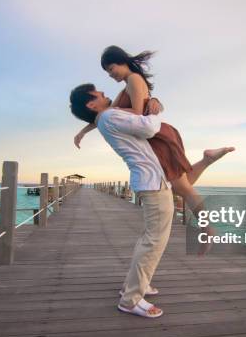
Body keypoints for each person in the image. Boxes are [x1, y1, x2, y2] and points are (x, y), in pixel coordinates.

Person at [73, 46, 234, 228]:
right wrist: (83, 131)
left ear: (122, 62)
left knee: (182, 188)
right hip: (155, 137)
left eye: (111, 69)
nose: (110, 75)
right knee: (180, 185)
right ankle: (207, 160)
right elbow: (103, 114)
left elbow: (137, 113)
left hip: (159, 137)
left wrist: (125, 108)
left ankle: (208, 229)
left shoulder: (133, 79)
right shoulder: (127, 85)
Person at [70, 83, 173, 318]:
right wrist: (155, 111)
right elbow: (148, 129)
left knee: (149, 239)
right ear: (91, 103)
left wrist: (83, 131)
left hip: (149, 181)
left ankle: (136, 285)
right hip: (152, 182)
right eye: (100, 94)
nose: (106, 94)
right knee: (153, 242)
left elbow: (126, 116)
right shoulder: (108, 116)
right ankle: (130, 300)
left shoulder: (104, 118)